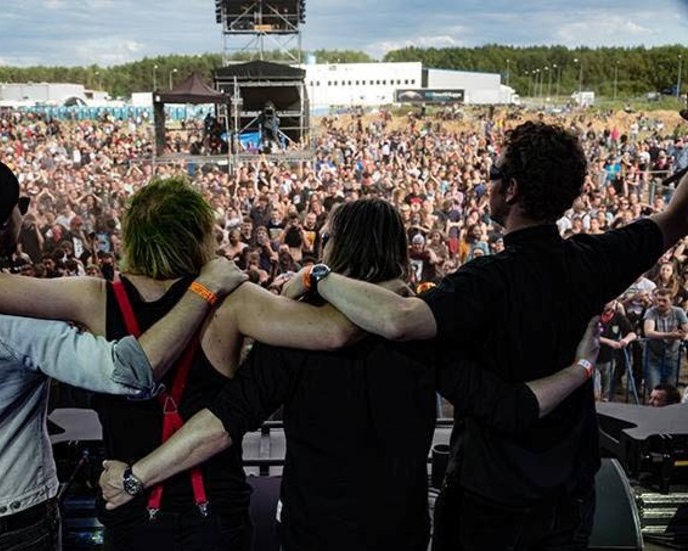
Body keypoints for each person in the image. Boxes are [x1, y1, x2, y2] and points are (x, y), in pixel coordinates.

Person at [97, 198, 600, 551]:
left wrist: (139, 476)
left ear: (336, 249)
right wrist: (580, 368)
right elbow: (511, 407)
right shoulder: (423, 333)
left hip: (312, 534)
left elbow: (223, 422)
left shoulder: (299, 338)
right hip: (399, 534)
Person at [290, 121, 688, 549]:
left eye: (494, 172)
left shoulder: (482, 282)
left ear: (512, 189)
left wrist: (317, 274)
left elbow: (400, 320)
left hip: (492, 501)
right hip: (570, 498)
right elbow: (677, 217)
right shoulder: (596, 260)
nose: (487, 181)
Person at [0, 176, 360, 551]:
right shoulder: (234, 300)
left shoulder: (93, 297)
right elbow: (336, 330)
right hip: (214, 508)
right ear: (199, 234)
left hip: (126, 503)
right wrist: (311, 277)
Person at [0, 155, 247, 551]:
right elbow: (133, 373)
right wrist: (205, 287)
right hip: (12, 521)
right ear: (6, 221)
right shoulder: (12, 315)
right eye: (21, 206)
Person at [642, 287, 688, 390]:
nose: (661, 303)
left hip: (672, 356)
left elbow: (687, 329)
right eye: (658, 300)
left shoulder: (678, 312)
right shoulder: (651, 312)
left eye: (664, 301)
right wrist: (671, 335)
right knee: (654, 389)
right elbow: (648, 332)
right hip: (653, 356)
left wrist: (683, 335)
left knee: (669, 390)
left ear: (671, 301)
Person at [595, 300, 637, 401]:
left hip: (610, 358)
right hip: (593, 358)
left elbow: (632, 333)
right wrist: (609, 342)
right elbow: (590, 334)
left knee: (607, 393)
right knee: (595, 393)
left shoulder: (618, 316)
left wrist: (626, 340)